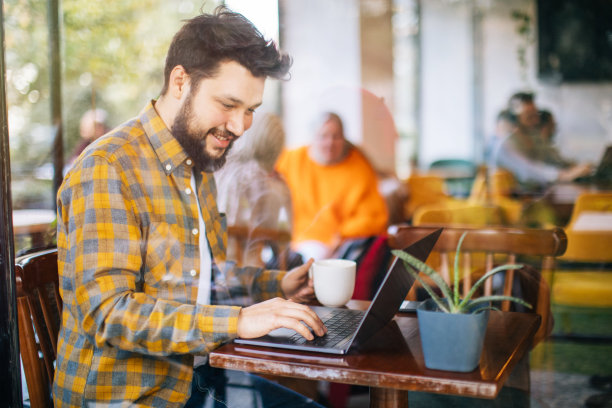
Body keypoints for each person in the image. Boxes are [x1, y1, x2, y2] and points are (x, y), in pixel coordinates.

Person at [54, 7, 327, 408]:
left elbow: (205, 279)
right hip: (132, 397)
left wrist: (278, 286)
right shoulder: (109, 168)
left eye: (250, 110)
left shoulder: (198, 163)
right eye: (228, 104)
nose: (239, 127)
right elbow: (110, 314)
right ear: (180, 81)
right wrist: (237, 321)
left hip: (195, 381)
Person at [275, 111, 388, 261]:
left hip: (342, 245)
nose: (330, 143)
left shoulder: (358, 167)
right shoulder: (292, 159)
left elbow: (373, 217)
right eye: (323, 136)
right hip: (296, 240)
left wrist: (340, 237)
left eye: (336, 136)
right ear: (313, 138)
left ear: (344, 139)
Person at [215, 112, 299, 268]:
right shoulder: (274, 188)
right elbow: (284, 238)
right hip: (249, 273)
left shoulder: (219, 171)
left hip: (213, 266)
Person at [489, 92, 592, 190]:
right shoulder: (506, 145)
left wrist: (581, 167)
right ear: (514, 118)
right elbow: (529, 171)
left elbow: (556, 159)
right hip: (514, 204)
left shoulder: (535, 137)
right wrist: (563, 175)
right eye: (529, 116)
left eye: (536, 115)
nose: (536, 121)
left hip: (534, 197)